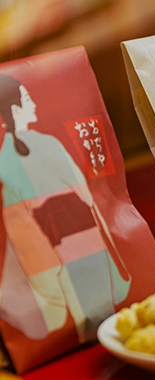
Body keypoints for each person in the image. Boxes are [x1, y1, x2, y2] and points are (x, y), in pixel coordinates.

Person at [0, 73, 130, 343]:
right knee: (104, 313)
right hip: (78, 235)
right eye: (26, 99)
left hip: (55, 242)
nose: (33, 104)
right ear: (13, 109)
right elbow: (84, 191)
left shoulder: (7, 156)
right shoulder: (44, 144)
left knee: (82, 317)